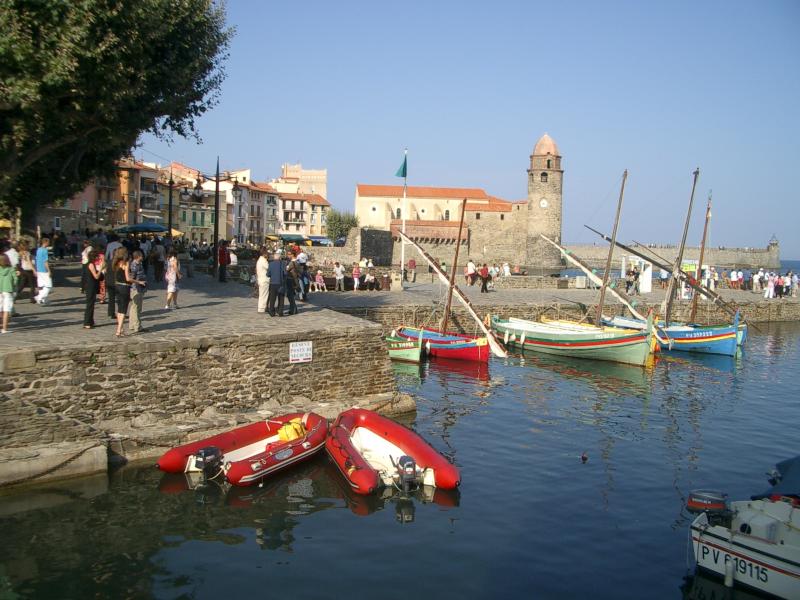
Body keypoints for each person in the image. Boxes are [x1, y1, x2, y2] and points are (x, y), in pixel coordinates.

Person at [111, 247, 132, 337]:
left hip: (117, 286)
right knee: (123, 310)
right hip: (124, 287)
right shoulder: (125, 263)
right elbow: (128, 278)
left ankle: (121, 328)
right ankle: (119, 330)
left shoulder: (115, 263)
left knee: (119, 309)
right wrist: (138, 281)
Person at [82, 249, 102, 329]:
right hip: (90, 286)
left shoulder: (88, 264)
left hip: (90, 286)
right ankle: (87, 322)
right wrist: (101, 269)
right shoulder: (90, 264)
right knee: (90, 304)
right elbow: (96, 276)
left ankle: (90, 321)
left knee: (91, 304)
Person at [128, 250, 147, 333]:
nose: (143, 257)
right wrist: (139, 282)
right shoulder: (134, 265)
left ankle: (132, 325)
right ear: (138, 256)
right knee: (137, 308)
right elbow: (131, 278)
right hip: (136, 288)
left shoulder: (139, 264)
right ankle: (137, 326)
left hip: (139, 288)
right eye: (141, 256)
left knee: (133, 307)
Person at [0, 254, 18, 334]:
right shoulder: (11, 269)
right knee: (6, 310)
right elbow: (15, 280)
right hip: (8, 290)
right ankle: (4, 328)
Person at [34, 237, 52, 305]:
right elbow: (45, 261)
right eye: (48, 242)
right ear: (46, 242)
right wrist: (49, 270)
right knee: (48, 286)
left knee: (42, 285)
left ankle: (44, 300)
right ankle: (39, 297)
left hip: (38, 269)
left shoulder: (38, 250)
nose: (49, 243)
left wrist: (36, 268)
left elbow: (36, 259)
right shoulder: (44, 250)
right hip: (44, 270)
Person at [267, 252, 286, 317]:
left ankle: (272, 312)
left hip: (273, 283)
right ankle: (280, 312)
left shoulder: (270, 264)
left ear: (274, 258)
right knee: (281, 298)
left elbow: (268, 274)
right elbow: (285, 273)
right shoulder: (283, 263)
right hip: (280, 283)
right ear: (280, 258)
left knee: (272, 298)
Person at [256, 246, 270, 313]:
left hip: (260, 279)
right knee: (264, 295)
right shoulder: (263, 260)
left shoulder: (259, 260)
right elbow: (269, 268)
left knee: (261, 294)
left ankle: (260, 307)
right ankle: (262, 308)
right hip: (264, 279)